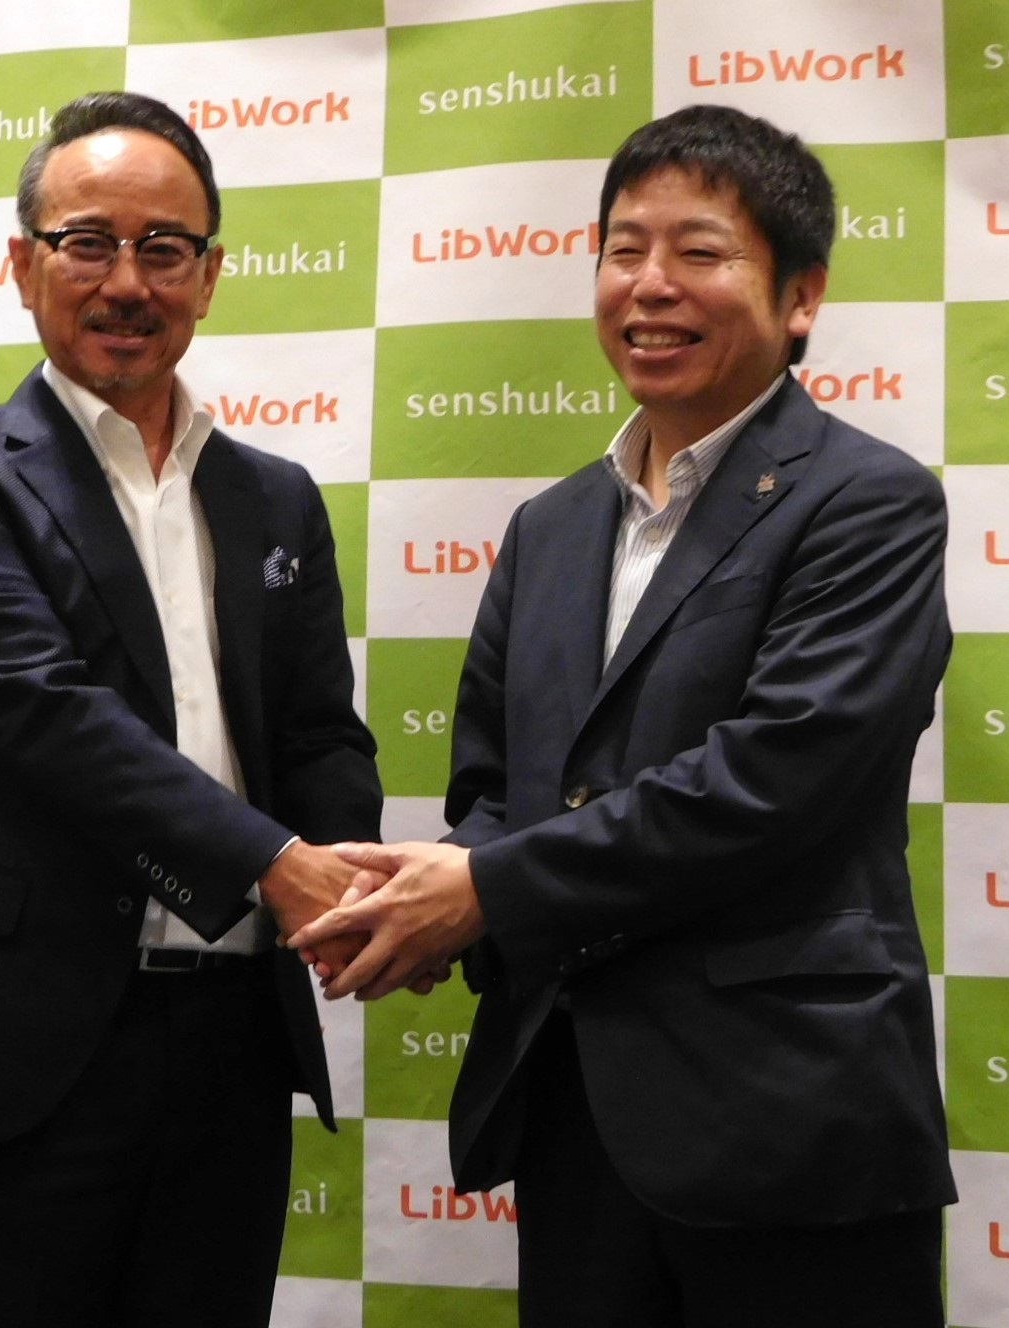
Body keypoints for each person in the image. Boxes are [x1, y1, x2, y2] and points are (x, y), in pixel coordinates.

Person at [289, 104, 956, 1327]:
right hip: (574, 1105)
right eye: (622, 249)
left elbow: (769, 782)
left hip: (790, 1118)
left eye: (700, 252)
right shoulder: (549, 526)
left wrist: (486, 890)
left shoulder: (870, 502)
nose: (650, 285)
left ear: (800, 296)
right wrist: (437, 897)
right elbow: (493, 783)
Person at [0, 91, 381, 1328]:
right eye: (87, 242)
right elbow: (49, 722)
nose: (128, 281)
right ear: (23, 264)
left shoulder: (276, 496)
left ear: (210, 275)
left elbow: (316, 730)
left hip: (234, 1038)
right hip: (18, 1044)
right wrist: (279, 867)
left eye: (164, 247)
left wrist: (357, 886)